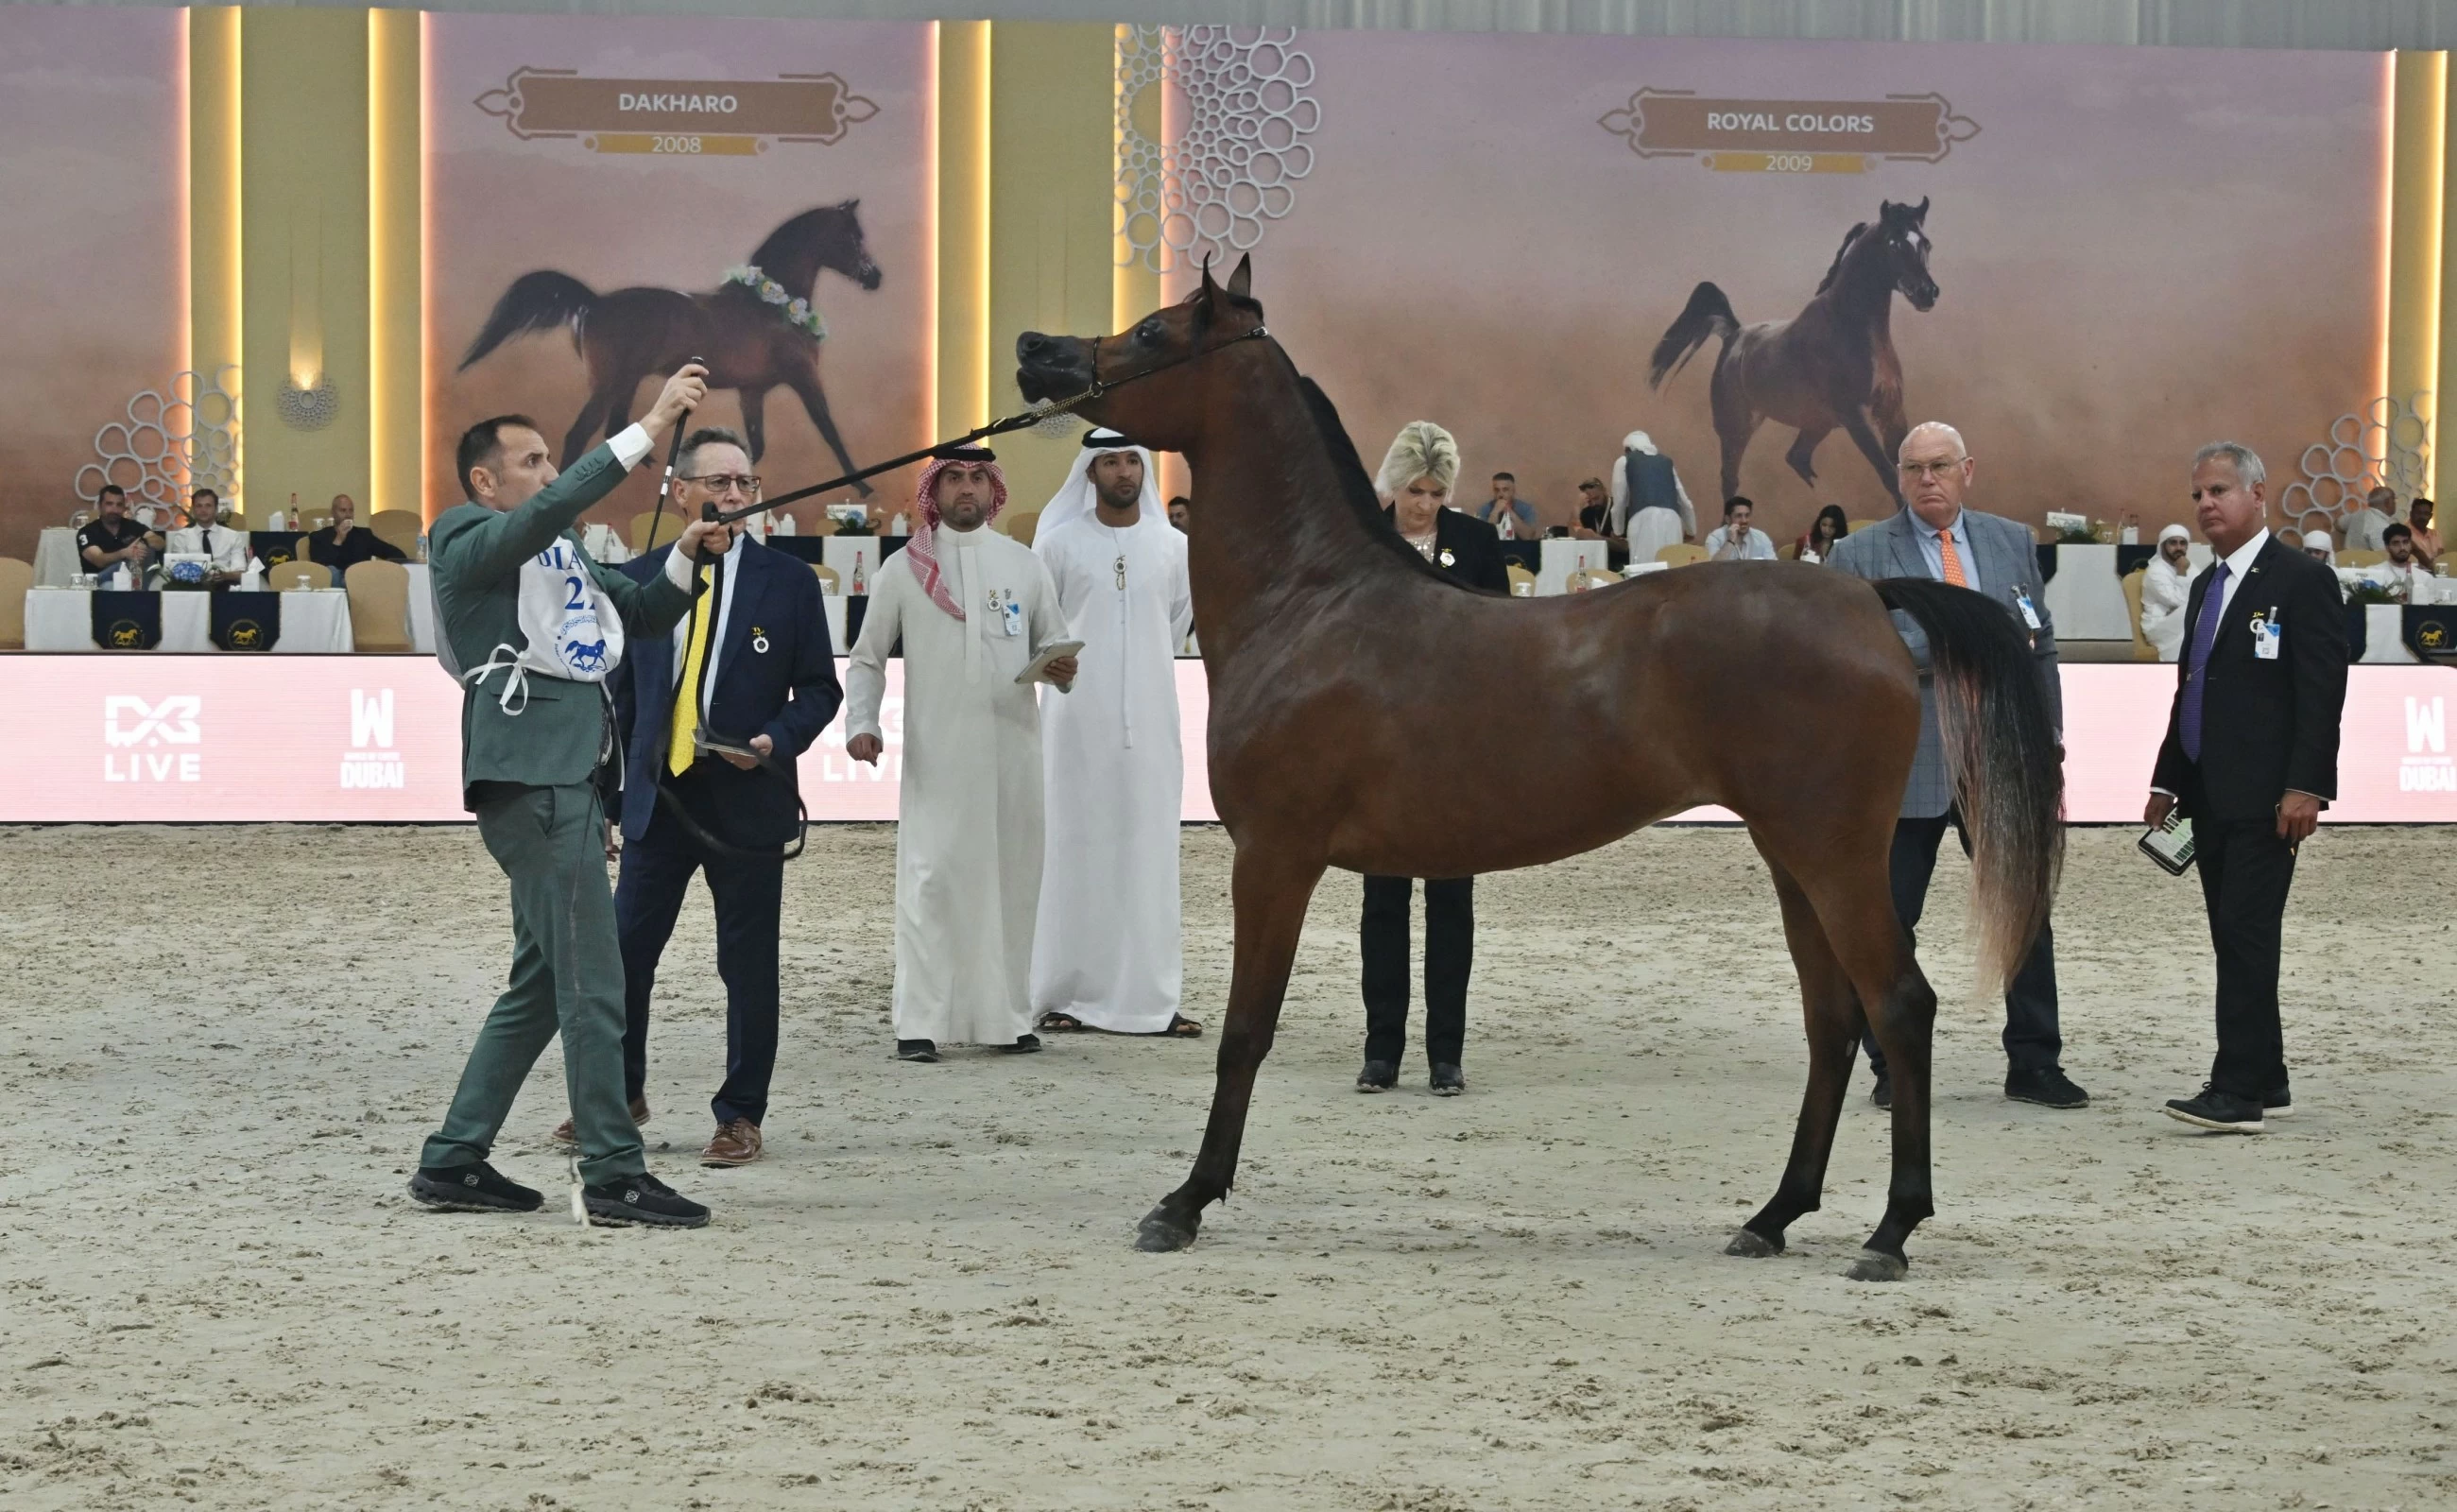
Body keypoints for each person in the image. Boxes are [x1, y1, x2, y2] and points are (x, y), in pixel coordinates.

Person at [408, 364, 728, 1229]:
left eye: (554, 459)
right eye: (534, 460)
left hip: (565, 778)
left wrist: (687, 557)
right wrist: (648, 424)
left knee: (546, 982)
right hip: (537, 777)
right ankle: (615, 1172)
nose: (550, 476)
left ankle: (455, 1157)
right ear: (485, 480)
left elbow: (642, 608)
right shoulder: (464, 533)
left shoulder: (561, 551)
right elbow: (552, 511)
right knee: (595, 978)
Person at [585, 426, 841, 1170]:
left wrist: (772, 740)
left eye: (745, 485)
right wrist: (605, 800)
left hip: (747, 803)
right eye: (718, 484)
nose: (734, 497)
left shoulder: (789, 582)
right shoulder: (638, 580)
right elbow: (619, 700)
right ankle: (620, 1094)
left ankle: (740, 1115)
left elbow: (819, 690)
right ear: (678, 491)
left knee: (748, 963)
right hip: (657, 801)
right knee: (626, 955)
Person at [1827, 421, 2088, 1110]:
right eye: (1913, 469)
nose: (1927, 480)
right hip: (1903, 761)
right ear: (1898, 477)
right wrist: (1955, 642)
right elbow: (1841, 656)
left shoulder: (2011, 541)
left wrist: (2049, 735)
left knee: (2023, 910)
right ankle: (1892, 1063)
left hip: (2000, 755)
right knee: (1888, 917)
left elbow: (2039, 643)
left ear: (1968, 469)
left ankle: (2034, 1061)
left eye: (1940, 466)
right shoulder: (1857, 554)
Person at [843, 445, 1077, 1062]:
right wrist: (862, 722)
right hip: (938, 754)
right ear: (935, 491)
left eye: (977, 478)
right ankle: (918, 1021)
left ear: (993, 490)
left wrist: (1061, 664)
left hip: (1014, 751)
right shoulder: (904, 569)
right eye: (954, 478)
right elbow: (867, 657)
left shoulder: (1023, 566)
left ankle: (1008, 1017)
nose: (967, 489)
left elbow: (1053, 640)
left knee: (1012, 880)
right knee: (931, 882)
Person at [2149, 441, 2348, 1133]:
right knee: (2233, 935)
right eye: (2198, 493)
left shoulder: (2300, 580)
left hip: (2270, 798)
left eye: (2220, 491)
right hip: (2208, 791)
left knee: (2245, 932)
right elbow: (2191, 690)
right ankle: (2267, 1072)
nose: (2206, 504)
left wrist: (2307, 786)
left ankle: (2237, 1091)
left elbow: (2322, 690)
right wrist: (2167, 779)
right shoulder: (2206, 585)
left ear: (2257, 494)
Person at [1029, 429, 1200, 1039]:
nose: (1123, 472)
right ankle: (1070, 994)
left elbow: (1175, 622)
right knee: (1076, 851)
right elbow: (1039, 628)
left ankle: (1150, 1000)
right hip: (1075, 726)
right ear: (1091, 471)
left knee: (1150, 855)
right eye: (1110, 462)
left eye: (1132, 460)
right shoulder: (1058, 544)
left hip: (1153, 726)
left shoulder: (1173, 547)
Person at [1361, 421, 1507, 1096]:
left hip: (1457, 752)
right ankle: (1381, 1049)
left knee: (1453, 901)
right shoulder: (1362, 537)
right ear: (1393, 484)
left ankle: (1446, 1052)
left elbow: (1502, 633)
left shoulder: (1476, 542)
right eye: (1415, 490)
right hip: (1379, 748)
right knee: (1383, 901)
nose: (1424, 503)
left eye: (1436, 491)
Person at [1610, 430, 1695, 567]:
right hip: (1672, 521)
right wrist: (1691, 530)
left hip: (1642, 521)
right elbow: (1684, 500)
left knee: (1644, 570)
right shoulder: (1666, 462)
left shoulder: (1623, 461)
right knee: (1672, 567)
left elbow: (1619, 502)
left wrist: (1618, 530)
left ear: (1628, 449)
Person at [2139, 523, 2200, 662]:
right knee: (2191, 611)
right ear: (2163, 545)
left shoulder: (2188, 566)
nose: (2179, 548)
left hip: (2179, 620)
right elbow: (2178, 602)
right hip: (2158, 625)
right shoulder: (2156, 571)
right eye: (2173, 543)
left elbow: (2204, 592)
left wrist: (2179, 609)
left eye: (2183, 543)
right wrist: (2181, 573)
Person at [307, 493, 407, 573]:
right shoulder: (318, 537)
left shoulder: (364, 535)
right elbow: (321, 567)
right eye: (343, 510)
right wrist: (339, 539)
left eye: (351, 511)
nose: (348, 515)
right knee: (333, 572)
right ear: (333, 512)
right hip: (334, 583)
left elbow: (397, 555)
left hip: (359, 581)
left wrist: (381, 569)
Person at [77, 485, 159, 579]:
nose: (114, 510)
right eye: (109, 504)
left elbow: (159, 541)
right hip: (99, 584)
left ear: (124, 507)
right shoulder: (87, 532)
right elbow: (99, 560)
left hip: (130, 581)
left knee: (149, 551)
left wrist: (144, 542)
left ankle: (139, 591)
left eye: (119, 505)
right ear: (100, 506)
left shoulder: (132, 526)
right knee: (112, 581)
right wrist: (124, 553)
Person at [167, 487, 248, 575]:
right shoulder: (182, 537)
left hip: (226, 583)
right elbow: (178, 570)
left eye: (208, 505)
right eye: (199, 506)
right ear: (193, 510)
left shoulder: (233, 536)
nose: (203, 510)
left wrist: (223, 576)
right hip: (192, 585)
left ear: (216, 509)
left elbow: (240, 572)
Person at [2362, 522, 2432, 598]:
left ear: (2411, 544)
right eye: (2396, 543)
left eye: (2405, 542)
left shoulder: (2425, 578)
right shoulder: (2373, 573)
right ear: (2387, 547)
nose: (2402, 548)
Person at [1703, 496, 1778, 560]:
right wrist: (1730, 541)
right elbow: (1712, 568)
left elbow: (1774, 568)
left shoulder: (1761, 538)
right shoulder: (1715, 538)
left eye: (1747, 515)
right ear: (1727, 519)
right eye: (1739, 516)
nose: (1744, 521)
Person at [1473, 472, 1538, 540]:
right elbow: (1483, 537)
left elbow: (1528, 537)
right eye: (1497, 490)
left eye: (1505, 490)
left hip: (1519, 547)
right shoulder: (1485, 509)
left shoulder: (1526, 509)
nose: (1500, 494)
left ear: (1513, 490)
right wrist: (1495, 512)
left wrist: (1509, 511)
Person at [2345, 487, 2397, 553]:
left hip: (2344, 560)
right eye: (2394, 500)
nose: (2395, 503)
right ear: (2387, 503)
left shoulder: (2357, 515)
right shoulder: (2381, 527)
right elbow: (2384, 557)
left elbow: (2337, 524)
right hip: (2365, 562)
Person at [2409, 497, 2442, 570]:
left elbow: (2440, 556)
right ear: (2411, 514)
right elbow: (2417, 552)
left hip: (2434, 574)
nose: (2422, 517)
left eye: (2426, 514)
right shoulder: (2403, 533)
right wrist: (2432, 567)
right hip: (2414, 575)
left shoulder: (2435, 534)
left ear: (2430, 516)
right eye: (2418, 513)